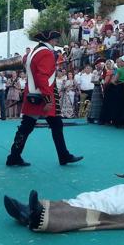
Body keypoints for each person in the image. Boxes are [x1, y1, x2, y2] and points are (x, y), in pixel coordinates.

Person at [6, 30, 82, 167]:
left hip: (33, 94)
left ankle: (14, 156)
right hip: (43, 96)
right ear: (50, 41)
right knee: (51, 126)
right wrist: (48, 99)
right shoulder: (46, 53)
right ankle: (63, 156)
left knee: (31, 127)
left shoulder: (33, 52)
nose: (56, 42)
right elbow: (42, 77)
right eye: (55, 40)